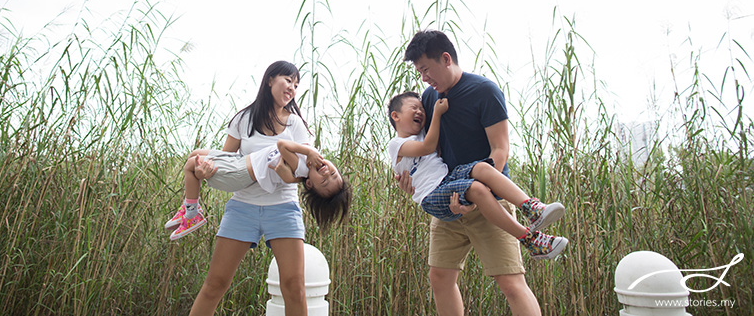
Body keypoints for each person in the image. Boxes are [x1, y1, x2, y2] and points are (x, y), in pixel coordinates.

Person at [397, 30, 558, 316]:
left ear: (446, 59)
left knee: (510, 282)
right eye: (420, 72)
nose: (424, 78)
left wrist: (477, 195)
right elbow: (422, 149)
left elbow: (500, 151)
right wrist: (407, 180)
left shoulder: (484, 91)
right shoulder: (429, 98)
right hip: (447, 200)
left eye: (426, 70)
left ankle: (531, 214)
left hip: (488, 201)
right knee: (440, 278)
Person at [186, 61, 316, 316]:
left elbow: (303, 172)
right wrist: (204, 172)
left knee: (294, 288)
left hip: (283, 208)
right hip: (242, 207)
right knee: (215, 284)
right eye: (288, 80)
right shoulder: (243, 119)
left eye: (296, 85)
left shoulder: (296, 125)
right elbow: (226, 162)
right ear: (270, 80)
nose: (292, 88)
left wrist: (284, 170)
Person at [386, 91, 568, 259]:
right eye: (414, 108)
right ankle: (529, 239)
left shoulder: (424, 132)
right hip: (431, 196)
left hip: (447, 180)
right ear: (396, 116)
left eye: (422, 109)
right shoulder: (396, 144)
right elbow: (428, 147)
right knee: (477, 189)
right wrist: (437, 113)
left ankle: (532, 207)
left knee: (482, 168)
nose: (420, 112)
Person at [166, 138, 350, 240]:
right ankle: (188, 206)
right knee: (195, 154)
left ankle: (192, 214)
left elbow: (282, 145)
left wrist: (308, 152)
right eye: (334, 174)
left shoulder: (301, 167)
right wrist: (309, 152)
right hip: (240, 161)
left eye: (324, 181)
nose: (327, 174)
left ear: (309, 184)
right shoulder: (308, 161)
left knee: (191, 165)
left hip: (240, 173)